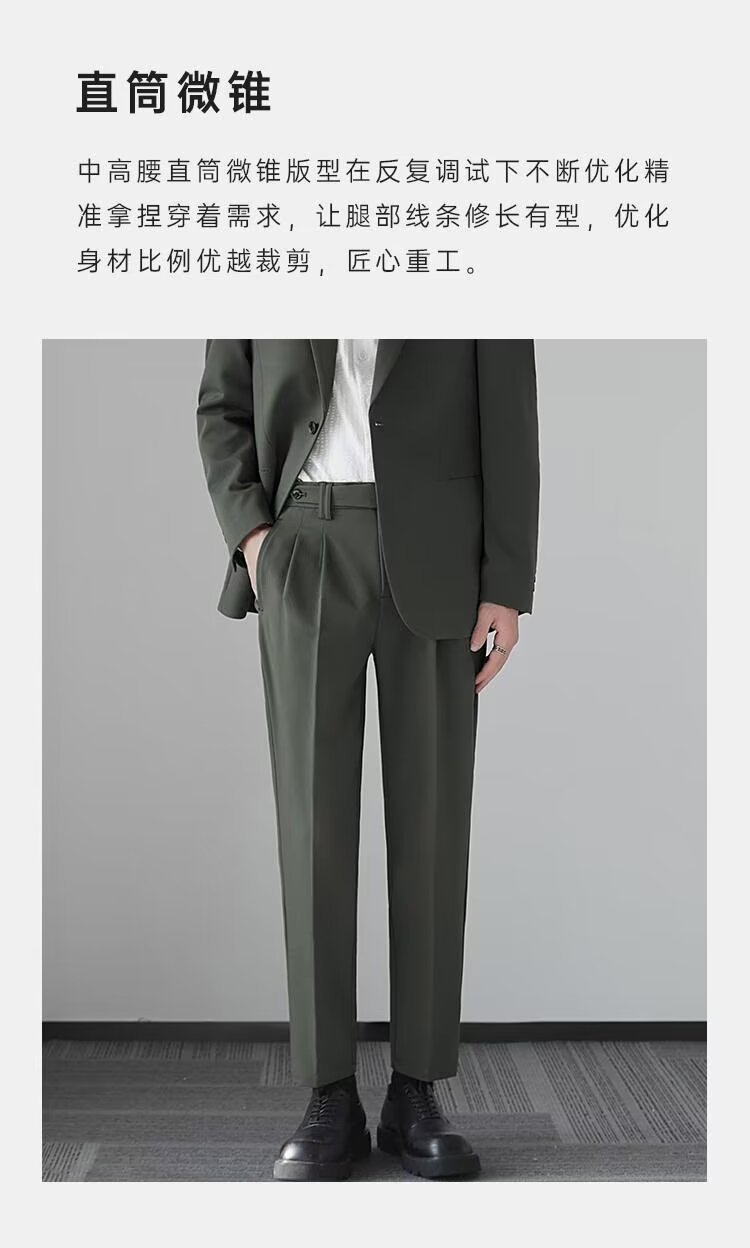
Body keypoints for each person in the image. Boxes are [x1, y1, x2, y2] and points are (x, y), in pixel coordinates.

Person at [196, 339, 539, 1180]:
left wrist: (507, 580)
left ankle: (417, 1090)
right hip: (306, 547)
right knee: (313, 829)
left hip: (441, 555)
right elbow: (222, 406)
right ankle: (329, 1093)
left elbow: (510, 418)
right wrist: (254, 538)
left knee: (431, 829)